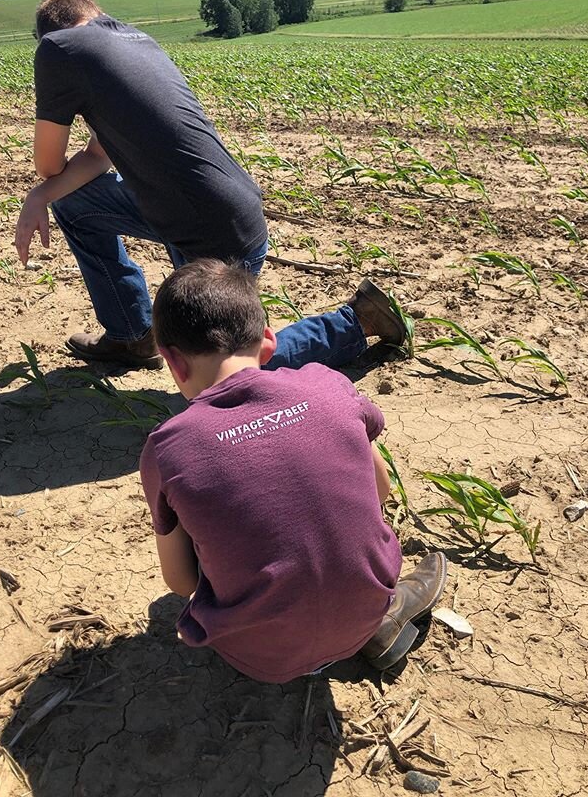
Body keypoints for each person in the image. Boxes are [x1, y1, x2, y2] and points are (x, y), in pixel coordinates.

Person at [15, 0, 406, 372]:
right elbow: (99, 157)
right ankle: (130, 336)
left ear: (50, 34)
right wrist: (42, 195)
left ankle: (357, 321)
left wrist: (43, 183)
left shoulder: (58, 48)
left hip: (217, 232)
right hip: (200, 208)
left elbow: (49, 164)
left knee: (226, 366)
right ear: (95, 13)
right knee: (72, 201)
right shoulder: (128, 41)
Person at [140, 259, 447, 683]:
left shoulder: (168, 447)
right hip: (361, 614)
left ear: (171, 361)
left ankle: (341, 629)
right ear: (268, 341)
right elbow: (382, 489)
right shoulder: (326, 384)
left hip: (260, 659)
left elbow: (180, 583)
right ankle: (382, 619)